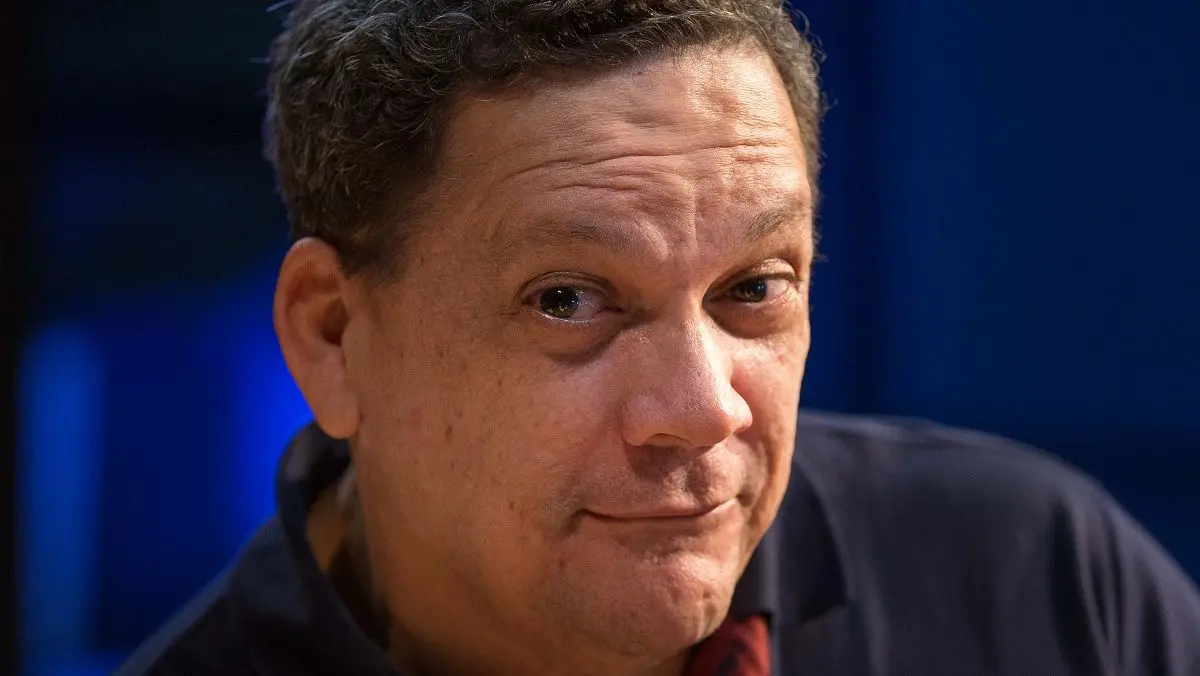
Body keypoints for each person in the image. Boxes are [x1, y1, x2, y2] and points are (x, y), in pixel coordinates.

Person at [117, 1, 1200, 674]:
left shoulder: (1036, 581)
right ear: (335, 335)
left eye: (755, 287)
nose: (701, 410)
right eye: (567, 300)